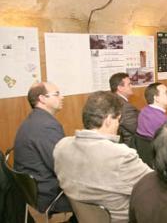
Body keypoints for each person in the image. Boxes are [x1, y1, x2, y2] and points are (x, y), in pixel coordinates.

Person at [53, 91, 152, 222]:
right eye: (118, 120)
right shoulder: (121, 156)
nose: (118, 125)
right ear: (108, 120)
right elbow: (155, 187)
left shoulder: (61, 147)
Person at [13, 82, 73, 214]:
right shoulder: (46, 126)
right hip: (49, 196)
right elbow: (62, 166)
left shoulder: (34, 120)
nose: (62, 97)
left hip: (34, 193)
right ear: (42, 99)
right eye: (57, 94)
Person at [109, 72, 139, 145]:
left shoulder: (112, 99)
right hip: (131, 145)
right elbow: (139, 129)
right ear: (120, 88)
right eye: (129, 84)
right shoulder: (125, 107)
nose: (131, 86)